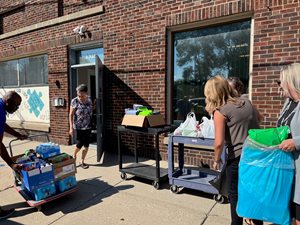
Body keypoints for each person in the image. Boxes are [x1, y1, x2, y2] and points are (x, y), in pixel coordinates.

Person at [204, 75, 263, 225]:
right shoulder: (246, 101)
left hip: (238, 160)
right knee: (253, 196)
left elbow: (218, 143)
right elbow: (260, 118)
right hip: (257, 155)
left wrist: (216, 160)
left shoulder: (221, 111)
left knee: (235, 197)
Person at [276, 63, 300, 225]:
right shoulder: (289, 102)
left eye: (280, 82)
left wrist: (296, 142)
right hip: (287, 171)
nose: (279, 86)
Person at [0, 91, 27, 219]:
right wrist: (11, 164)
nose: (17, 108)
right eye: (16, 105)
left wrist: (17, 135)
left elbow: (2, 125)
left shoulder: (1, 108)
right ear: (8, 102)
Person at [69, 84, 93, 169]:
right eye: (78, 95)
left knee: (86, 145)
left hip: (88, 126)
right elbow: (71, 115)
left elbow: (91, 110)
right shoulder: (74, 101)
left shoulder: (89, 100)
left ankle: (82, 161)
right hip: (79, 127)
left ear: (85, 93)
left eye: (81, 95)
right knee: (80, 143)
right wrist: (71, 128)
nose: (80, 97)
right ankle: (74, 155)